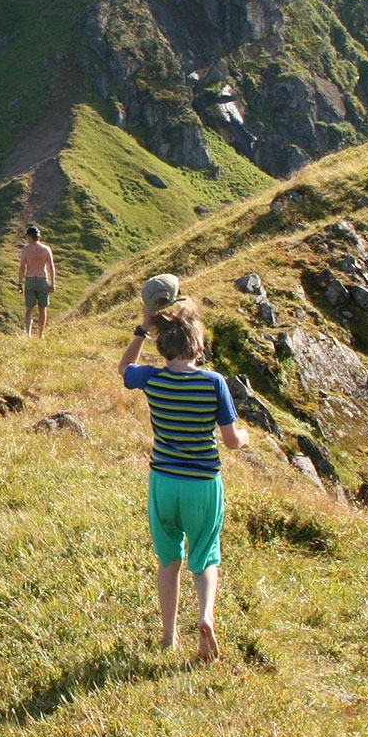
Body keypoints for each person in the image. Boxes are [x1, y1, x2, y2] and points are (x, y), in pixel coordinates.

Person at [118, 276, 249, 660]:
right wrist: (245, 439)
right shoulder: (214, 383)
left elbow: (125, 366)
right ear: (199, 346)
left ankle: (168, 636)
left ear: (164, 345)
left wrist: (142, 327)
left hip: (164, 482)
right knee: (205, 554)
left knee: (169, 559)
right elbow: (229, 440)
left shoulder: (152, 379)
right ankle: (205, 617)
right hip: (203, 483)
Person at [17, 225, 57, 337]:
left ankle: (28, 333)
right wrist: (53, 283)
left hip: (30, 280)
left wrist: (19, 284)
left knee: (29, 309)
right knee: (42, 308)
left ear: (30, 237)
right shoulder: (46, 249)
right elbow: (51, 267)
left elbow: (22, 267)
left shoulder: (25, 250)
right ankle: (41, 333)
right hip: (42, 280)